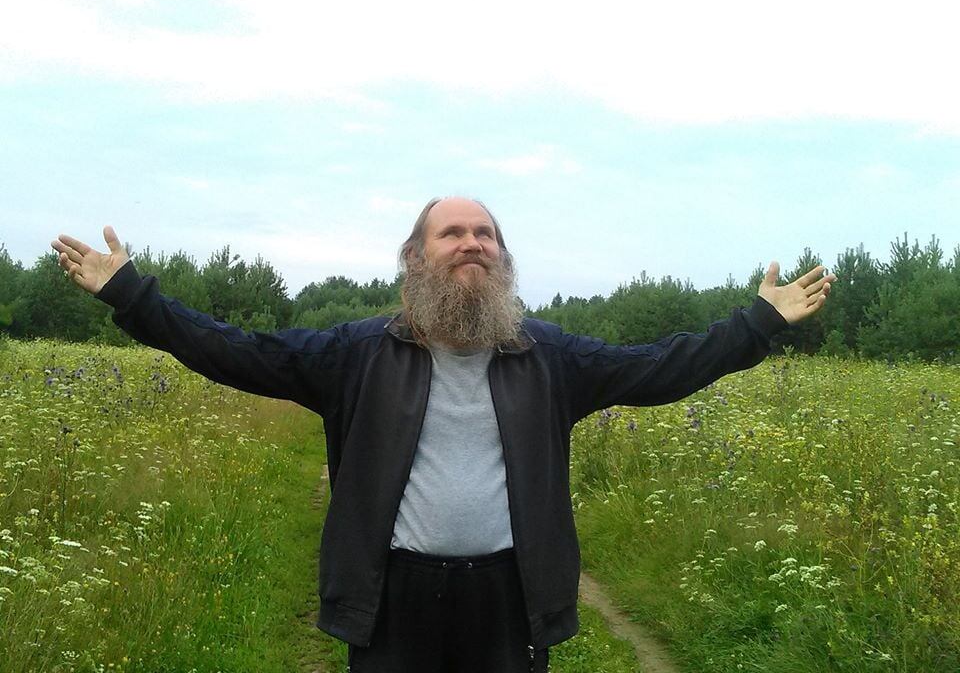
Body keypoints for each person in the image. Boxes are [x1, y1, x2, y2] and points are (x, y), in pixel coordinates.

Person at [52, 198, 834, 672]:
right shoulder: (357, 353)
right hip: (394, 599)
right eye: (452, 232)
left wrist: (755, 324)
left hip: (509, 599)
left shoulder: (548, 356)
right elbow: (235, 350)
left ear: (502, 258)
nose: (472, 243)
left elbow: (659, 368)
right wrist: (132, 296)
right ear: (416, 257)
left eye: (485, 234)